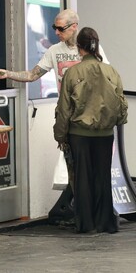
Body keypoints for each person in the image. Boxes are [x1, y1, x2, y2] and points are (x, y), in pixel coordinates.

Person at [0, 8, 108, 193]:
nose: (56, 32)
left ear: (74, 27)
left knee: (93, 166)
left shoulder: (91, 49)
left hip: (90, 116)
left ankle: (92, 210)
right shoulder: (54, 50)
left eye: (60, 28)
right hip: (68, 116)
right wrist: (8, 74)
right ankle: (80, 209)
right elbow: (32, 74)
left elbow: (106, 77)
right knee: (72, 165)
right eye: (55, 28)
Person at [53, 27, 128, 234]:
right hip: (105, 134)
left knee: (82, 179)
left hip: (79, 135)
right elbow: (121, 106)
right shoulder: (111, 71)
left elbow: (64, 109)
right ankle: (105, 222)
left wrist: (60, 135)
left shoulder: (73, 73)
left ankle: (86, 224)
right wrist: (116, 122)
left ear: (79, 48)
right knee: (103, 178)